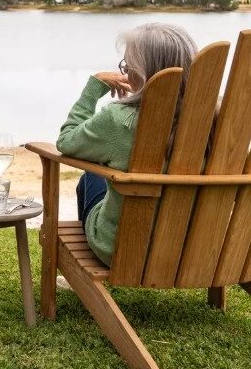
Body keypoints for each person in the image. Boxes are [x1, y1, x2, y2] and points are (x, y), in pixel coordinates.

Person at [56, 22, 197, 268]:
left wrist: (95, 84)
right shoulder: (214, 119)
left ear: (142, 72)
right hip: (191, 248)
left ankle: (87, 273)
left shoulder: (119, 119)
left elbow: (66, 141)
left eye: (127, 65)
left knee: (91, 174)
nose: (126, 71)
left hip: (120, 249)